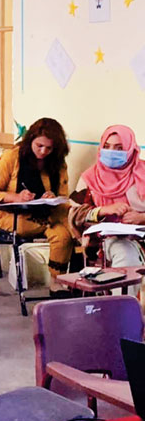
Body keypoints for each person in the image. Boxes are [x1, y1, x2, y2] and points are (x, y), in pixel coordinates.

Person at [0, 117, 73, 296]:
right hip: (14, 217)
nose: (43, 151)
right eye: (39, 145)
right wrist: (16, 197)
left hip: (47, 215)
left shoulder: (58, 163)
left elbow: (64, 198)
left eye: (49, 148)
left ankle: (56, 282)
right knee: (55, 227)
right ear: (30, 139)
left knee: (64, 236)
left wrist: (52, 196)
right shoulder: (12, 157)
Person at [69, 125, 145, 301]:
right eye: (107, 146)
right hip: (109, 240)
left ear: (130, 149)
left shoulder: (143, 173)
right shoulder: (90, 178)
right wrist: (103, 210)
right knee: (125, 254)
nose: (112, 152)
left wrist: (141, 218)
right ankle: (121, 309)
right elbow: (74, 213)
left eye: (119, 148)